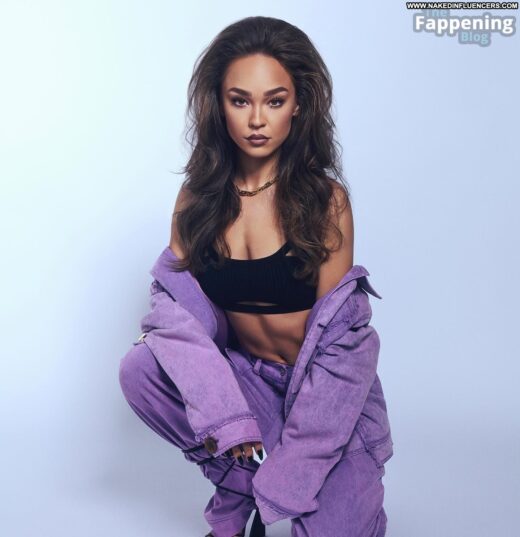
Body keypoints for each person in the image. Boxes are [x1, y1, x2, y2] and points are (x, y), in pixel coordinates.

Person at [119, 15, 392, 537]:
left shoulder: (325, 202)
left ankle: (259, 485)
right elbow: (172, 314)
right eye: (240, 100)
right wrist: (226, 418)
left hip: (322, 398)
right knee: (142, 367)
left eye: (275, 100)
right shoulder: (197, 199)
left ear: (299, 105)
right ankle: (239, 480)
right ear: (218, 105)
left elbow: (343, 349)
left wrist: (285, 483)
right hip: (246, 388)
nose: (257, 120)